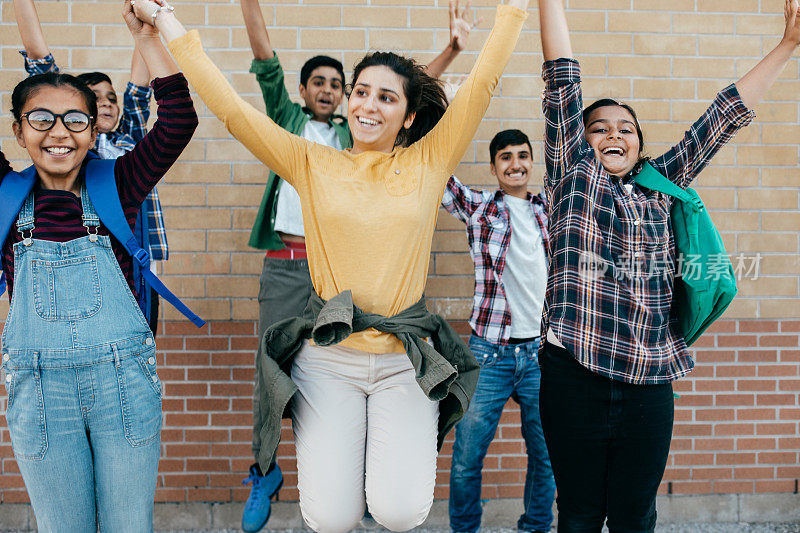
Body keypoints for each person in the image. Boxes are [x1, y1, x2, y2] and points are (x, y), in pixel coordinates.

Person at [130, 0, 528, 529]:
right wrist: (165, 21)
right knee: (331, 518)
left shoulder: (429, 159)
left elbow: (484, 81)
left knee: (400, 509)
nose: (368, 105)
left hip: (403, 360)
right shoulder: (311, 161)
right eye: (361, 91)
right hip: (329, 360)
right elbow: (229, 108)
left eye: (386, 97)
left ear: (408, 116)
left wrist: (514, 10)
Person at [536, 1, 800, 531]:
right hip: (574, 378)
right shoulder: (573, 178)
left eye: (626, 130)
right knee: (581, 515)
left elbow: (719, 119)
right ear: (579, 142)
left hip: (650, 379)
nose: (613, 135)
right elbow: (562, 77)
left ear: (640, 146)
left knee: (636, 517)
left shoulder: (661, 188)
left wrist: (789, 44)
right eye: (599, 128)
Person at [237, 0, 479, 528]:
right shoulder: (290, 124)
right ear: (305, 91)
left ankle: (376, 473)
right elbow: (263, 61)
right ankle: (265, 469)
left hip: (357, 280)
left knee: (388, 489)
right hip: (292, 265)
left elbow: (399, 101)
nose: (331, 91)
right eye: (322, 83)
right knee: (273, 366)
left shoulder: (359, 139)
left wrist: (452, 51)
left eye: (335, 83)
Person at [0, 2, 197, 530]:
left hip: (122, 387)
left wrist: (149, 37)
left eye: (75, 119)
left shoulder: (121, 183)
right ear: (19, 133)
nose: (58, 130)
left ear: (93, 133)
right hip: (40, 394)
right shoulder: (7, 196)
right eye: (40, 118)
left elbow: (179, 119)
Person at [13, 0, 170, 333]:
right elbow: (41, 63)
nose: (107, 104)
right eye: (95, 100)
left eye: (111, 98)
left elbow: (140, 91)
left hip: (133, 257)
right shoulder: (69, 145)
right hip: (76, 255)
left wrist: (147, 24)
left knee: (139, 342)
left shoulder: (129, 138)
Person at [442, 129, 555, 533]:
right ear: (493, 167)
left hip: (543, 355)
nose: (516, 164)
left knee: (547, 456)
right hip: (489, 351)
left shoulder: (552, 208)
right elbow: (436, 172)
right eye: (505, 157)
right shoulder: (479, 207)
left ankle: (536, 527)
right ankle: (465, 530)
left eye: (523, 155)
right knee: (468, 456)